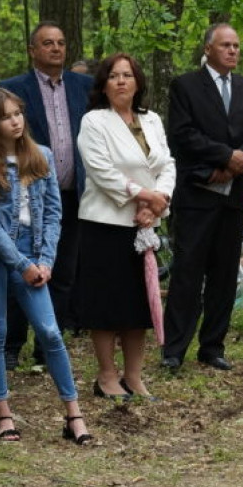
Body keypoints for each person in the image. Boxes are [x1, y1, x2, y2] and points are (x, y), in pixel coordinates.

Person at [0, 88, 92, 446]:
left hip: (34, 252)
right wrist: (21, 263)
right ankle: (3, 414)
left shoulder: (41, 156)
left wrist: (45, 261)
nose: (16, 121)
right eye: (7, 116)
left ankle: (74, 415)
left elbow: (55, 213)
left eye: (18, 113)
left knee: (50, 332)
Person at [162, 23, 243, 372]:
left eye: (237, 46)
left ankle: (212, 347)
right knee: (187, 273)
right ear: (208, 48)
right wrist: (224, 158)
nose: (233, 51)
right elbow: (182, 135)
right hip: (197, 192)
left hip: (234, 196)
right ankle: (174, 350)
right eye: (226, 45)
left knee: (225, 275)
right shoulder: (186, 86)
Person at [76, 54, 175, 400]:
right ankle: (107, 376)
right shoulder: (94, 122)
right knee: (106, 304)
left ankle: (133, 376)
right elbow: (101, 170)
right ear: (104, 84)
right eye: (114, 76)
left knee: (138, 304)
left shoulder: (152, 120)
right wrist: (143, 195)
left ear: (137, 82)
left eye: (127, 75)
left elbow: (167, 164)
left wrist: (157, 201)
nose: (121, 81)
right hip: (105, 223)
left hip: (143, 225)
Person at [0, 21, 93, 369]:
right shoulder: (12, 89)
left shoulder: (86, 87)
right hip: (24, 197)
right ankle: (12, 344)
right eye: (48, 43)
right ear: (32, 50)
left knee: (63, 271)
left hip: (72, 194)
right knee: (18, 270)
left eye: (61, 42)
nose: (56, 48)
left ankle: (47, 346)